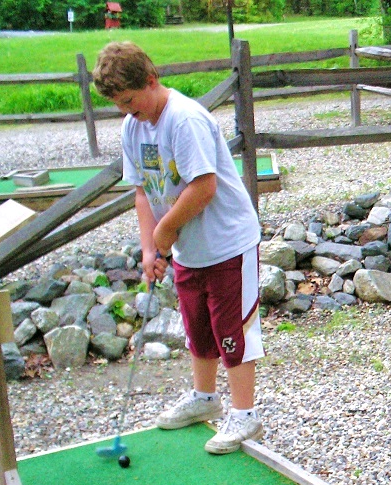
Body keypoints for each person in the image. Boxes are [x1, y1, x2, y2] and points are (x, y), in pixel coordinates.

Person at [93, 41, 264, 454]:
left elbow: (203, 187)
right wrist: (151, 248)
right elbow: (142, 193)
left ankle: (245, 415)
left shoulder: (184, 120)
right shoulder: (133, 127)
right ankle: (205, 397)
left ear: (151, 81)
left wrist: (165, 231)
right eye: (119, 104)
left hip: (227, 242)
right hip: (190, 248)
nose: (125, 110)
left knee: (233, 330)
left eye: (130, 100)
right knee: (197, 327)